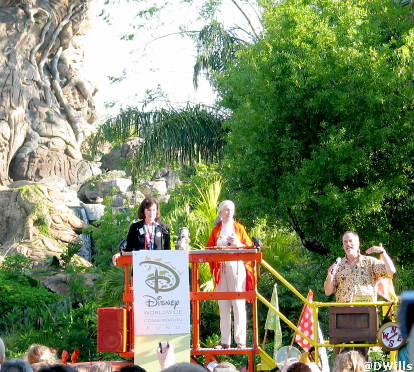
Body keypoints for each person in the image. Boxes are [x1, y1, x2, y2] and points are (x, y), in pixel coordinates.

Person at [206, 200, 254, 349]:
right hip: (221, 268)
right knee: (223, 305)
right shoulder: (216, 230)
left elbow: (249, 246)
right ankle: (224, 341)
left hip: (237, 267)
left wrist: (237, 243)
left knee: (238, 303)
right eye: (226, 210)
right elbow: (208, 248)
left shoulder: (239, 228)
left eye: (231, 209)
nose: (228, 212)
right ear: (220, 212)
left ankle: (240, 340)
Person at [324, 231, 396, 302]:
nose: (348, 244)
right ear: (343, 246)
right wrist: (330, 275)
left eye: (350, 241)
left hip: (367, 311)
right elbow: (328, 292)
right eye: (345, 242)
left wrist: (382, 252)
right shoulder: (338, 265)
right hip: (343, 311)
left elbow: (391, 271)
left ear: (358, 243)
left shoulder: (370, 262)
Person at [113, 197, 170, 264]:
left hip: (159, 267)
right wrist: (119, 254)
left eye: (154, 210)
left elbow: (168, 250)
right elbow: (128, 248)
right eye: (148, 210)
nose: (151, 213)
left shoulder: (163, 228)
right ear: (143, 211)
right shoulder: (135, 227)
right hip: (140, 266)